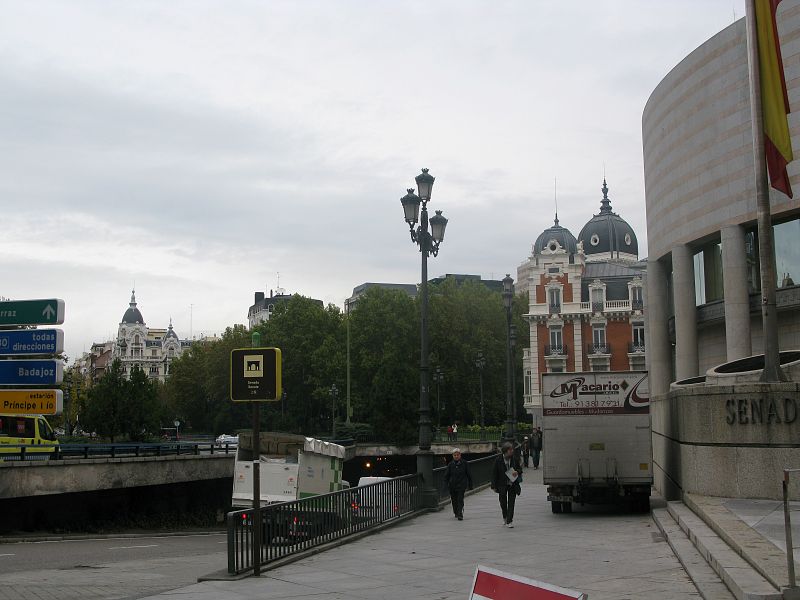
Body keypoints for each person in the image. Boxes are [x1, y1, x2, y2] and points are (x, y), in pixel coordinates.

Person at [491, 442, 522, 527]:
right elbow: (494, 473)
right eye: (510, 450)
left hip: (512, 484)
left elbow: (520, 469)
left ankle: (509, 521)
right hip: (502, 484)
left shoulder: (514, 459)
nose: (512, 451)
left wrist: (517, 472)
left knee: (511, 503)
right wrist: (493, 485)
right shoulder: (498, 460)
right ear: (505, 451)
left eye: (512, 449)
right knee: (503, 502)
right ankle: (505, 516)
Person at [444, 448, 472, 520]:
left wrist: (470, 484)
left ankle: (460, 513)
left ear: (460, 455)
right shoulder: (450, 464)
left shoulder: (464, 463)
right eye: (454, 455)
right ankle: (456, 511)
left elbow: (469, 474)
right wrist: (446, 484)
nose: (456, 456)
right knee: (454, 500)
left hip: (461, 484)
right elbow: (446, 475)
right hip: (452, 485)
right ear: (453, 456)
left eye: (457, 455)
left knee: (460, 499)